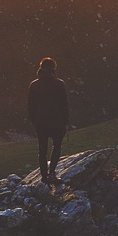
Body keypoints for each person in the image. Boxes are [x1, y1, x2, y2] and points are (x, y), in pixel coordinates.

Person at [27, 56, 69, 184]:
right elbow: (64, 105)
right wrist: (65, 121)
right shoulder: (59, 84)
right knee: (57, 147)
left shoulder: (34, 85)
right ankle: (52, 174)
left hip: (41, 122)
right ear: (53, 69)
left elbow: (30, 106)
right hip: (57, 122)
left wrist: (34, 121)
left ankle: (44, 177)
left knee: (42, 150)